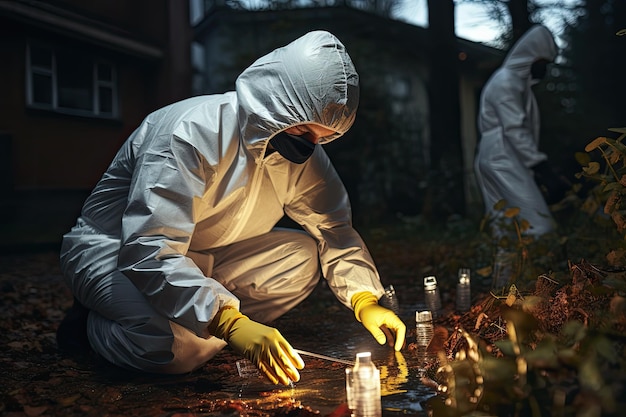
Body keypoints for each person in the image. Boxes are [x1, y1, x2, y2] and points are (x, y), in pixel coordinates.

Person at [56, 30, 406, 386]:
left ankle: (208, 317)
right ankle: (91, 326)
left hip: (202, 257)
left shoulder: (303, 157)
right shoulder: (192, 132)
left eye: (321, 136)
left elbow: (334, 229)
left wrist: (365, 298)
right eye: (303, 130)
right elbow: (149, 248)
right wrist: (232, 323)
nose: (310, 145)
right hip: (115, 251)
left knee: (301, 257)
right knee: (175, 349)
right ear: (275, 106)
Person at [474, 24, 567, 237]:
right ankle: (536, 270)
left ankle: (508, 271)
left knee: (506, 231)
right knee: (540, 226)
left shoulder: (514, 84)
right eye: (542, 62)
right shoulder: (506, 82)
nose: (544, 69)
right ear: (530, 56)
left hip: (494, 153)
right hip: (502, 154)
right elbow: (514, 129)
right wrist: (541, 167)